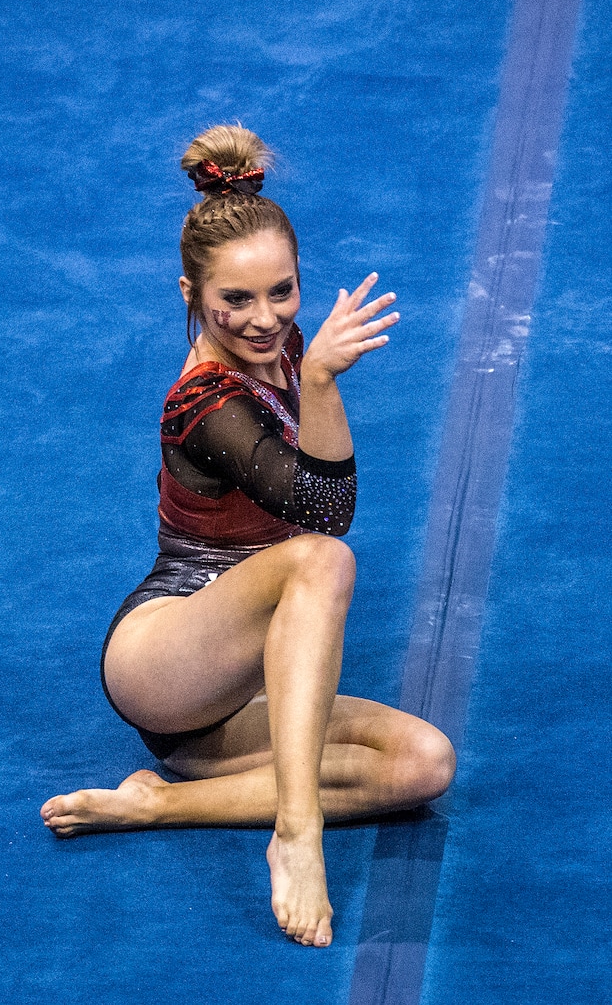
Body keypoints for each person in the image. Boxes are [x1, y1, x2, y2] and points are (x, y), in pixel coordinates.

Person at [41, 125, 456, 948]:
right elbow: (323, 514)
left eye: (283, 292)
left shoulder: (283, 350)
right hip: (169, 654)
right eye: (236, 300)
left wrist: (313, 374)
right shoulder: (201, 402)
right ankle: (295, 834)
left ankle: (162, 803)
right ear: (190, 293)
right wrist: (323, 382)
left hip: (236, 699)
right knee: (323, 559)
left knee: (423, 764)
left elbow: (321, 500)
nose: (265, 320)